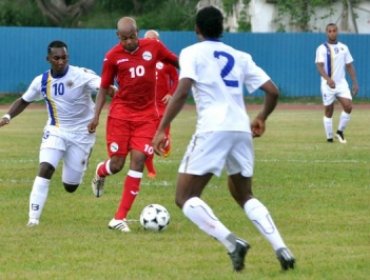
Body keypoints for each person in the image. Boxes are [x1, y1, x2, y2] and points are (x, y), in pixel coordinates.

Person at [152, 6, 295, 272]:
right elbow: (272, 91)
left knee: (185, 196)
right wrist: (262, 117)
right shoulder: (240, 55)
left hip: (213, 129)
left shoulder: (191, 52)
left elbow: (182, 91)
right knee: (244, 193)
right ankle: (281, 248)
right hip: (240, 128)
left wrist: (162, 128)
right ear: (222, 29)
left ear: (197, 29)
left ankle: (232, 243)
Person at [0, 40, 112, 227]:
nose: (61, 61)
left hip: (82, 134)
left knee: (70, 186)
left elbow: (104, 87)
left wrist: (114, 93)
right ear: (48, 59)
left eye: (64, 58)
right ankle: (33, 220)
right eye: (57, 58)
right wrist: (7, 116)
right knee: (45, 168)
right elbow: (24, 100)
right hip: (56, 130)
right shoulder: (42, 81)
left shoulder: (81, 75)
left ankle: (96, 167)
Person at [88, 17, 178, 232]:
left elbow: (175, 61)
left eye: (133, 37)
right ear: (118, 36)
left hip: (147, 117)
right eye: (125, 38)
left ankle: (119, 218)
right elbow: (103, 87)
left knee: (138, 160)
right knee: (117, 165)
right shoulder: (112, 57)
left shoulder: (154, 46)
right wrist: (95, 116)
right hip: (120, 116)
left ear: (138, 32)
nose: (130, 42)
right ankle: (101, 171)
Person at [143, 29, 179, 178]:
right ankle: (150, 168)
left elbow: (176, 79)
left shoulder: (166, 60)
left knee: (163, 136)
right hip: (147, 105)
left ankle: (166, 141)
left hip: (163, 106)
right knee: (147, 138)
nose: (150, 43)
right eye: (147, 40)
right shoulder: (141, 59)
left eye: (153, 40)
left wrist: (171, 93)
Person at [315, 23, 359, 143]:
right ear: (326, 33)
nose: (332, 33)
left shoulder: (344, 47)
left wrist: (355, 82)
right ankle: (329, 138)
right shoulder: (322, 48)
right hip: (327, 84)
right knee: (329, 111)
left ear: (337, 32)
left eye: (334, 30)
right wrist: (328, 79)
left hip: (341, 84)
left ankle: (340, 132)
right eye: (329, 31)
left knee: (348, 106)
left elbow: (349, 65)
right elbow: (319, 66)